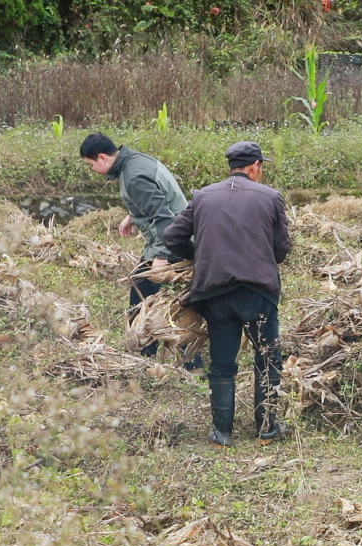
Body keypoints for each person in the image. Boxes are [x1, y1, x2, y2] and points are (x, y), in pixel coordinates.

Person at [164, 142, 292, 447]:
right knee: (267, 357)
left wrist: (201, 255)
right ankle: (267, 428)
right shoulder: (271, 197)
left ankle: (222, 432)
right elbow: (282, 249)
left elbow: (172, 236)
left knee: (222, 362)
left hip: (215, 292)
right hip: (257, 293)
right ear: (254, 167)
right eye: (262, 166)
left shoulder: (203, 196)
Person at [79, 133, 201, 368]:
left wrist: (162, 257)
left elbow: (162, 216)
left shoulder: (134, 176)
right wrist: (132, 217)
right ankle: (161, 356)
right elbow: (154, 199)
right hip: (178, 236)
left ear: (102, 158)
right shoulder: (136, 161)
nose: (92, 169)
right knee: (152, 296)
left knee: (157, 301)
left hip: (174, 242)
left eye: (91, 164)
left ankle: (162, 359)